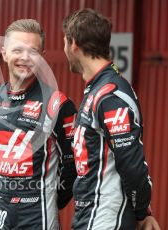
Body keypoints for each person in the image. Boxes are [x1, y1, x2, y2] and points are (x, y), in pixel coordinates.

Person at [62, 8, 160, 230]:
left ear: (74, 43)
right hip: (89, 218)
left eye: (65, 43)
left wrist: (142, 211)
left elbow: (131, 163)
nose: (65, 50)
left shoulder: (111, 94)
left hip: (106, 221)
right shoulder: (97, 91)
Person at [0, 19, 77, 230]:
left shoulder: (57, 104)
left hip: (38, 217)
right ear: (4, 53)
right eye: (18, 50)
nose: (25, 58)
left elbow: (73, 165)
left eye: (33, 52)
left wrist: (51, 199)